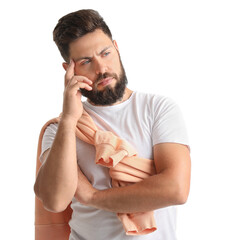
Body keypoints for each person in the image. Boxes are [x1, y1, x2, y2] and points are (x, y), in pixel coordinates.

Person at [34, 9, 191, 240]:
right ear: (69, 70)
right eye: (86, 61)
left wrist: (92, 197)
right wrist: (69, 119)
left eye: (105, 53)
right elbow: (55, 200)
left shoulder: (158, 109)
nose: (101, 68)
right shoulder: (59, 130)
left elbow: (176, 189)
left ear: (116, 48)